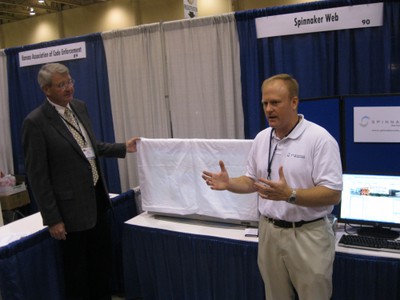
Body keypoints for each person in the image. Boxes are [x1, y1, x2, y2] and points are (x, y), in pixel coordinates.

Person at [202, 74, 342, 300]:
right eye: (265, 103)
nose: (269, 109)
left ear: (294, 102)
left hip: (308, 234)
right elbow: (251, 181)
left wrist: (291, 195)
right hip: (269, 232)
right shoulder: (261, 138)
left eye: (275, 102)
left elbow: (333, 194)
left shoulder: (320, 140)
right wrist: (229, 184)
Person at [21, 62, 140, 300]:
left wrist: (122, 147)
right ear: (46, 89)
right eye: (61, 84)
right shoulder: (35, 122)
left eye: (70, 81)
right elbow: (38, 176)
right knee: (78, 275)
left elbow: (88, 147)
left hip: (97, 200)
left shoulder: (79, 107)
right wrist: (53, 219)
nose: (69, 88)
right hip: (69, 213)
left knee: (100, 267)